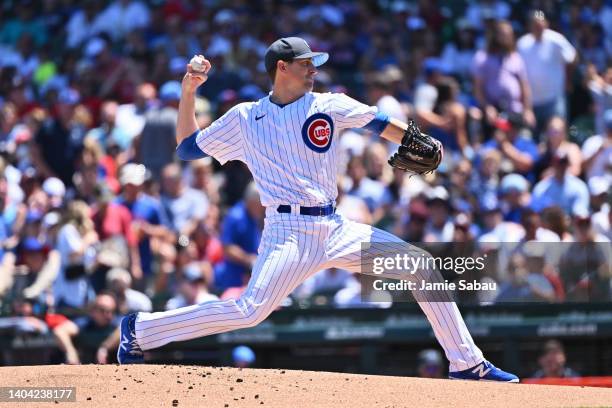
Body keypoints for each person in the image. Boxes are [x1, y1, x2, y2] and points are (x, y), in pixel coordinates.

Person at [116, 37, 519, 382]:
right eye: (306, 64)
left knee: (419, 264)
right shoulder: (245, 117)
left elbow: (379, 121)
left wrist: (417, 139)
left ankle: (467, 363)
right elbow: (188, 148)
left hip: (335, 227)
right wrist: (189, 92)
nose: (313, 71)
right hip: (287, 232)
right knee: (249, 311)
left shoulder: (328, 104)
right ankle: (140, 330)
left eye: (314, 65)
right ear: (282, 68)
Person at [517, 10, 577, 139]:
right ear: (530, 26)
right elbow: (519, 73)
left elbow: (572, 58)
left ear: (546, 23)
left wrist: (568, 80)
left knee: (558, 132)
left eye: (540, 23)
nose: (538, 27)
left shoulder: (556, 39)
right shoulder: (522, 44)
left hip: (554, 97)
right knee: (534, 138)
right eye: (535, 24)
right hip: (532, 101)